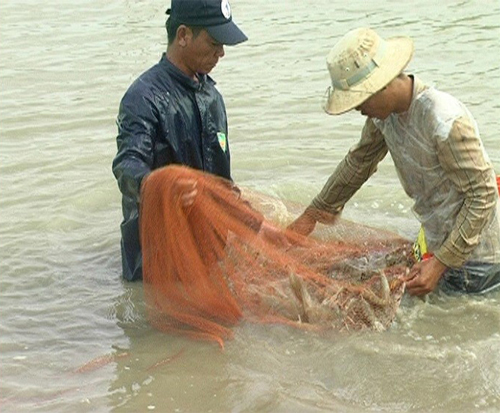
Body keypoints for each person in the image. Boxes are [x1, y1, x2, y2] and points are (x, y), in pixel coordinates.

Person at [288, 27, 500, 297]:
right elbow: (359, 162)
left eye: (359, 100)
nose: (357, 108)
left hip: (479, 260)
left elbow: (483, 195)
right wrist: (314, 214)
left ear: (383, 84)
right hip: (438, 242)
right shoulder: (383, 117)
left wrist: (440, 263)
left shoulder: (444, 121)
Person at [112, 0, 248, 281]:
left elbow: (222, 182)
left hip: (207, 251)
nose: (221, 53)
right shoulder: (143, 98)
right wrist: (159, 186)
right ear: (183, 35)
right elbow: (127, 165)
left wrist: (252, 224)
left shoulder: (212, 97)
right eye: (214, 42)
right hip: (158, 259)